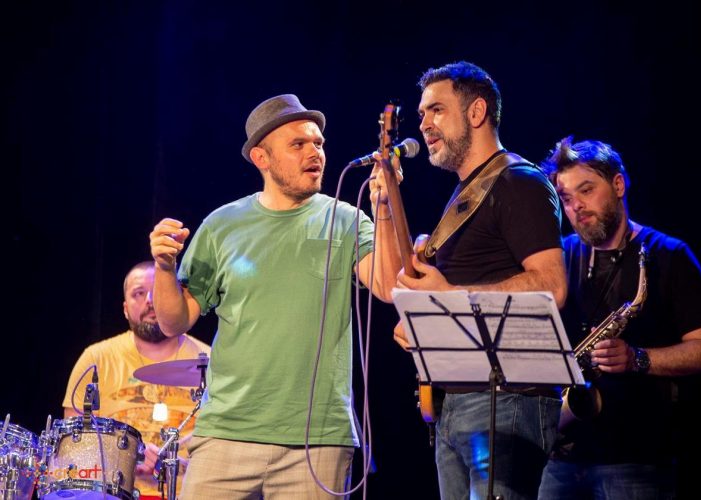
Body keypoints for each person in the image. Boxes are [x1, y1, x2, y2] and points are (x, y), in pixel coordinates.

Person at [149, 94, 401, 499]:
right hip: (226, 434)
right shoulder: (222, 225)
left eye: (318, 143)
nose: (314, 152)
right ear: (261, 158)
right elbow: (173, 322)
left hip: (317, 440)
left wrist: (385, 207)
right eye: (298, 144)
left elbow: (388, 286)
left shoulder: (347, 219)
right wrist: (164, 267)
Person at [395, 61, 567, 500]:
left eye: (436, 110)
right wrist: (423, 322)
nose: (424, 124)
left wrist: (448, 296)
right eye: (422, 114)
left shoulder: (519, 181)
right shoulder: (463, 194)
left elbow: (551, 285)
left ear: (476, 112)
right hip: (456, 403)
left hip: (507, 401)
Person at [537, 136, 701, 499]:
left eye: (586, 190)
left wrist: (637, 359)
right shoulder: (560, 258)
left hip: (636, 458)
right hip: (561, 456)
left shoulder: (669, 255)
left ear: (619, 185)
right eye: (566, 198)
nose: (576, 206)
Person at [62, 260, 211, 499]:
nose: (150, 300)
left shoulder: (210, 361)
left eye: (159, 290)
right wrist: (130, 456)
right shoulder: (96, 358)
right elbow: (73, 443)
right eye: (139, 293)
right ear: (125, 308)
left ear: (177, 300)